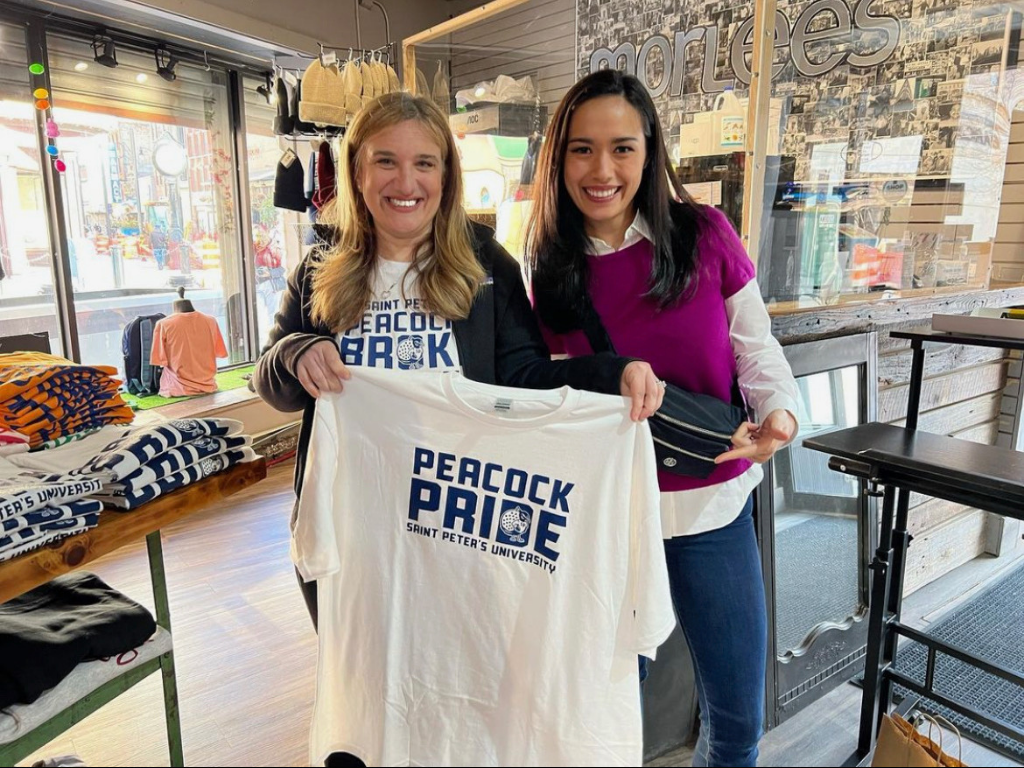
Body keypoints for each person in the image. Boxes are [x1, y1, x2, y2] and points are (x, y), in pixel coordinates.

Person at [253, 86, 664, 677]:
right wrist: (298, 351)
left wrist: (613, 372)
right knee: (364, 683)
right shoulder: (321, 265)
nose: (406, 181)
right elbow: (273, 381)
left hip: (459, 517)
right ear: (357, 172)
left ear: (445, 176)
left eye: (425, 163)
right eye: (386, 161)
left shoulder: (484, 263)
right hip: (353, 524)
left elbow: (523, 376)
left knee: (459, 684)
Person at [526, 70, 801, 768]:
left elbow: (755, 348)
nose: (602, 170)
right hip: (610, 524)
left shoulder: (703, 233)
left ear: (650, 151)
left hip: (713, 505)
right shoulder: (552, 271)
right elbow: (547, 393)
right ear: (558, 159)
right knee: (609, 724)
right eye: (582, 149)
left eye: (622, 147)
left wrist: (781, 418)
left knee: (736, 723)